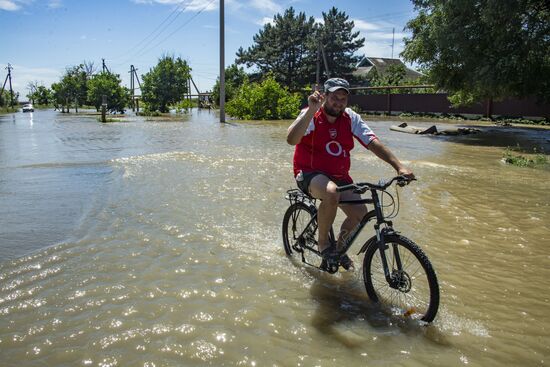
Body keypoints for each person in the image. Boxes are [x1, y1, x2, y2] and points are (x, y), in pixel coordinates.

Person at [286, 78, 414, 270]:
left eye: (343, 98)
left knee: (360, 214)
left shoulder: (350, 118)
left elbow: (372, 142)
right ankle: (324, 245)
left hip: (339, 175)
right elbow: (291, 139)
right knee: (331, 192)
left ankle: (339, 250)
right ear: (325, 96)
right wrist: (312, 110)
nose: (338, 102)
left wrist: (399, 166)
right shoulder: (310, 114)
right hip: (309, 173)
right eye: (334, 97)